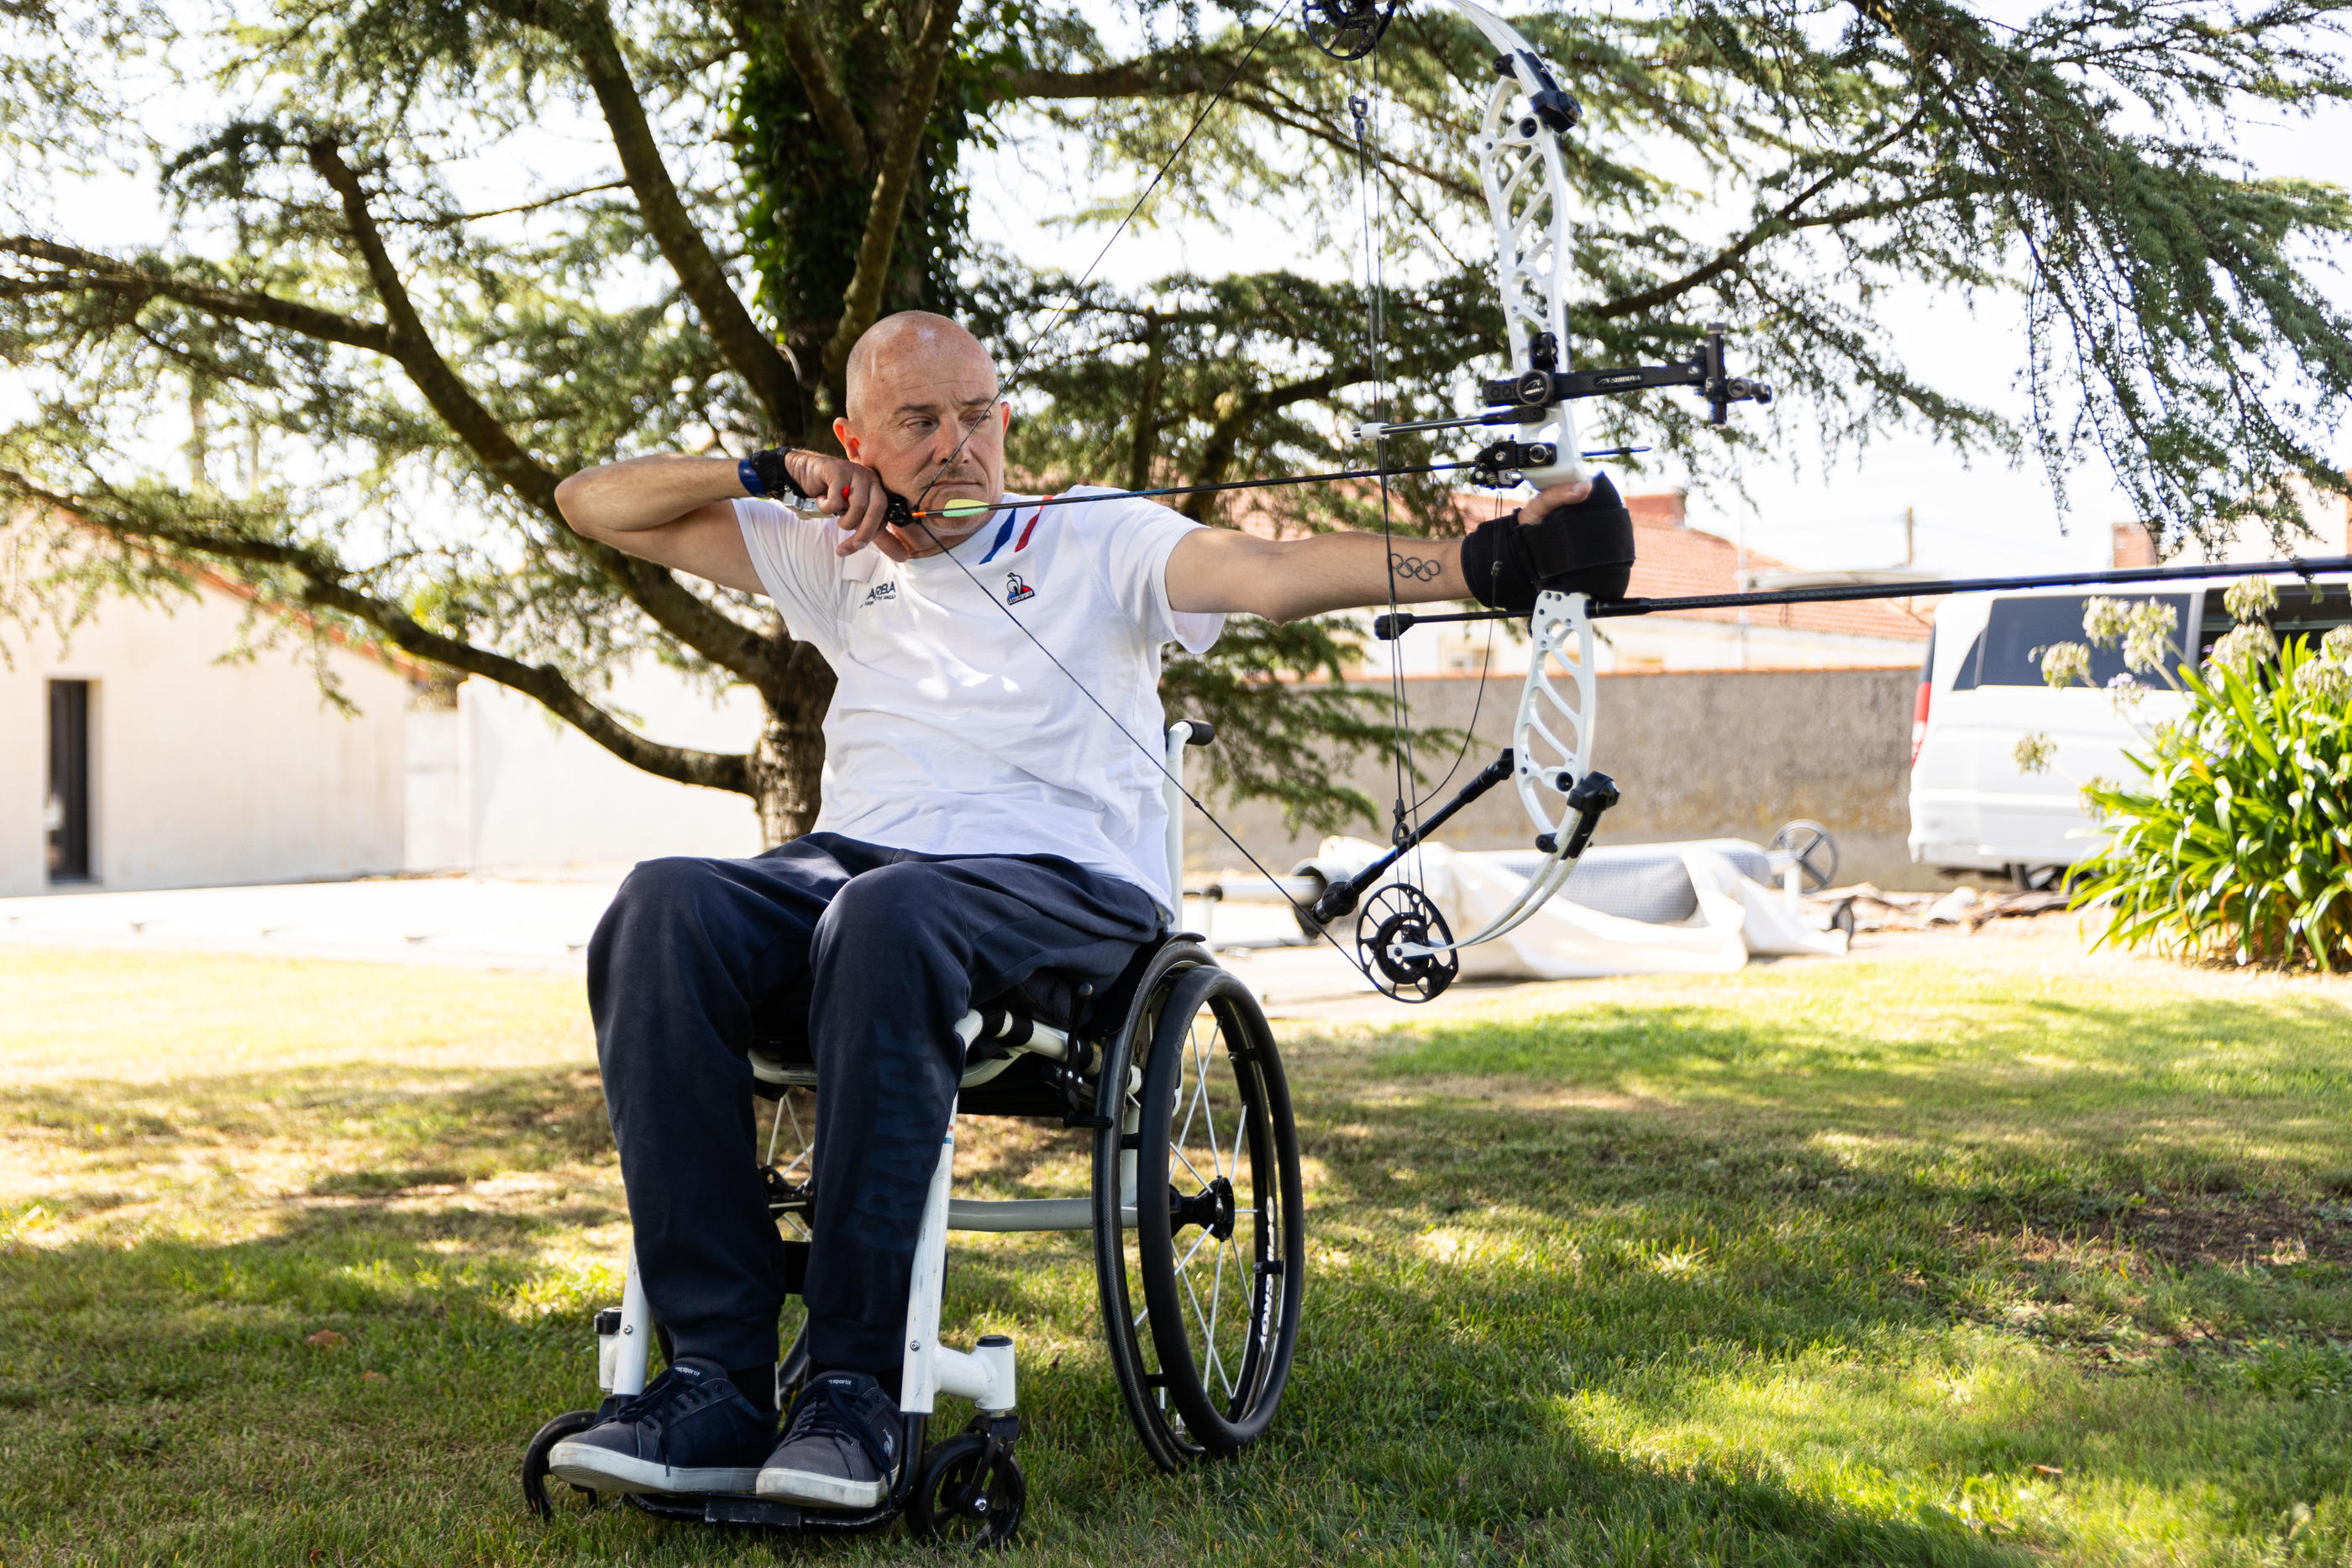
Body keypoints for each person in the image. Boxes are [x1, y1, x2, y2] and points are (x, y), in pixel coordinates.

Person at [543, 311, 1630, 1508]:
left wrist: (1489, 566)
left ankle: (854, 1393)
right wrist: (770, 471)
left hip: (1065, 896)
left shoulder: (1097, 537)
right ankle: (713, 1383)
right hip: (860, 880)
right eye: (918, 423)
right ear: (855, 441)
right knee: (661, 907)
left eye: (978, 416)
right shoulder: (827, 552)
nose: (958, 445)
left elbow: (1267, 577)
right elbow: (592, 503)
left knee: (891, 916)